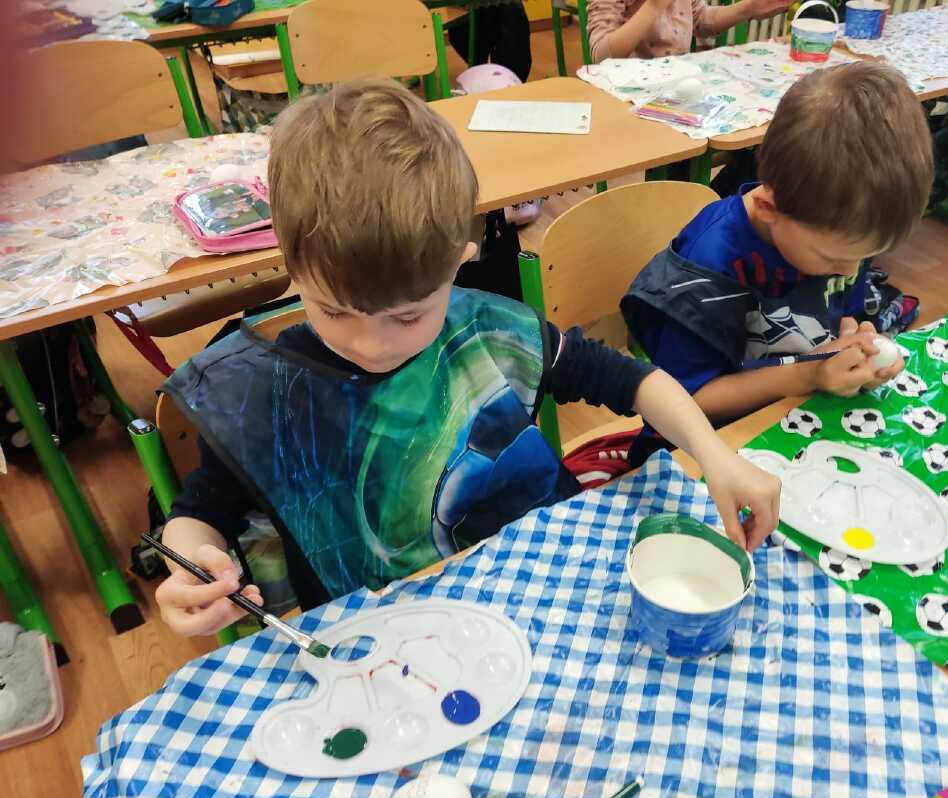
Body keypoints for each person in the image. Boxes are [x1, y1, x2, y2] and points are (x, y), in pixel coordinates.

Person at [154, 80, 781, 637]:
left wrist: (715, 456)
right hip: (383, 648)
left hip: (537, 598)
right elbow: (200, 514)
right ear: (291, 270)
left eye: (408, 316)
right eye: (335, 311)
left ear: (458, 264)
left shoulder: (486, 329)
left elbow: (633, 379)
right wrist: (192, 567)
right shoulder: (261, 394)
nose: (372, 344)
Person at [621, 62, 933, 425]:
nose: (850, 270)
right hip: (708, 441)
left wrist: (856, 339)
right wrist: (808, 375)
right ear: (769, 208)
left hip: (799, 413)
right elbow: (688, 400)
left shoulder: (833, 237)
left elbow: (842, 314)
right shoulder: (707, 266)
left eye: (865, 257)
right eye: (832, 259)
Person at [587, 0, 793, 62]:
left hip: (676, 84)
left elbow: (700, 20)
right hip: (625, 93)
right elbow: (600, 55)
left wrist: (748, 7)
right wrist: (653, 7)